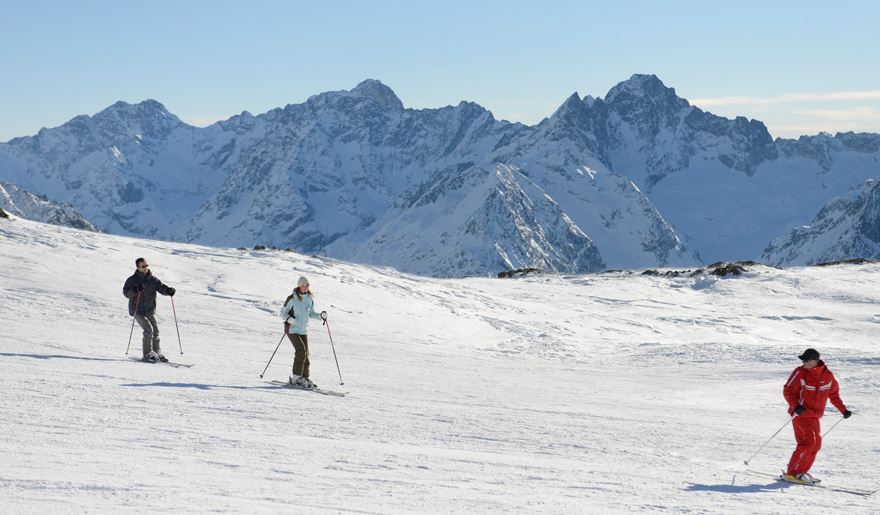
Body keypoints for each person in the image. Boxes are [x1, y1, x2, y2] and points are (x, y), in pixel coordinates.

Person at [782, 348, 852, 484]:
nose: (803, 363)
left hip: (815, 415)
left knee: (816, 444)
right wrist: (795, 406)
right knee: (808, 442)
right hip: (800, 414)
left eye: (805, 360)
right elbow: (788, 390)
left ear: (814, 361)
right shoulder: (800, 372)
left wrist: (843, 410)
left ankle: (801, 472)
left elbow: (833, 395)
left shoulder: (828, 376)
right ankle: (792, 473)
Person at [123, 258, 176, 363]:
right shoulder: (132, 280)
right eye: (143, 266)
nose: (146, 268)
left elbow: (161, 288)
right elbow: (126, 293)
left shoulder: (153, 280)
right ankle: (147, 353)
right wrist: (135, 289)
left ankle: (156, 352)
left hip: (149, 310)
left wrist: (168, 291)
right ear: (138, 267)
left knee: (155, 330)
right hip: (137, 309)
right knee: (148, 329)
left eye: (146, 265)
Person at [280, 276, 327, 389]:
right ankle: (296, 378)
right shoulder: (292, 298)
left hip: (303, 330)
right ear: (299, 286)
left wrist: (320, 316)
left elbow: (311, 313)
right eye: (304, 285)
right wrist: (288, 319)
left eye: (308, 285)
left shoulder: (309, 299)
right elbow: (283, 312)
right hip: (292, 329)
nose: (306, 287)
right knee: (301, 350)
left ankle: (304, 377)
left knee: (306, 354)